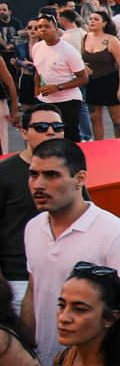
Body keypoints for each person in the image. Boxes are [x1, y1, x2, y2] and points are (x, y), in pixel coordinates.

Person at [22, 138, 120, 366]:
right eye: (33, 174)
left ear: (79, 179)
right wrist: (26, 353)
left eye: (51, 175)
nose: (38, 184)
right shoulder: (32, 228)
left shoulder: (116, 234)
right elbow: (33, 289)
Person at [1, 107, 64, 306]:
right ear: (24, 133)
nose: (51, 132)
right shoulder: (5, 172)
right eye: (41, 127)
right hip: (17, 280)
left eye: (57, 126)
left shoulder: (70, 171)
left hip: (64, 277)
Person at [29, 11, 90, 142]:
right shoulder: (37, 47)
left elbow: (83, 78)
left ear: (56, 30)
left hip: (68, 101)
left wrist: (58, 87)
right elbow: (38, 71)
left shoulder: (68, 50)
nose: (42, 30)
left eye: (47, 26)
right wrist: (37, 95)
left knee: (70, 137)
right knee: (45, 137)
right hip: (45, 101)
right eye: (39, 27)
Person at [80, 8, 120, 139]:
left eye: (96, 19)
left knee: (117, 119)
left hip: (110, 82)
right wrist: (83, 65)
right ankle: (99, 145)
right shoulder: (85, 37)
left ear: (104, 23)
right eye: (91, 19)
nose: (92, 21)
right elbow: (80, 56)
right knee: (94, 118)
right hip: (92, 83)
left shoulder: (111, 40)